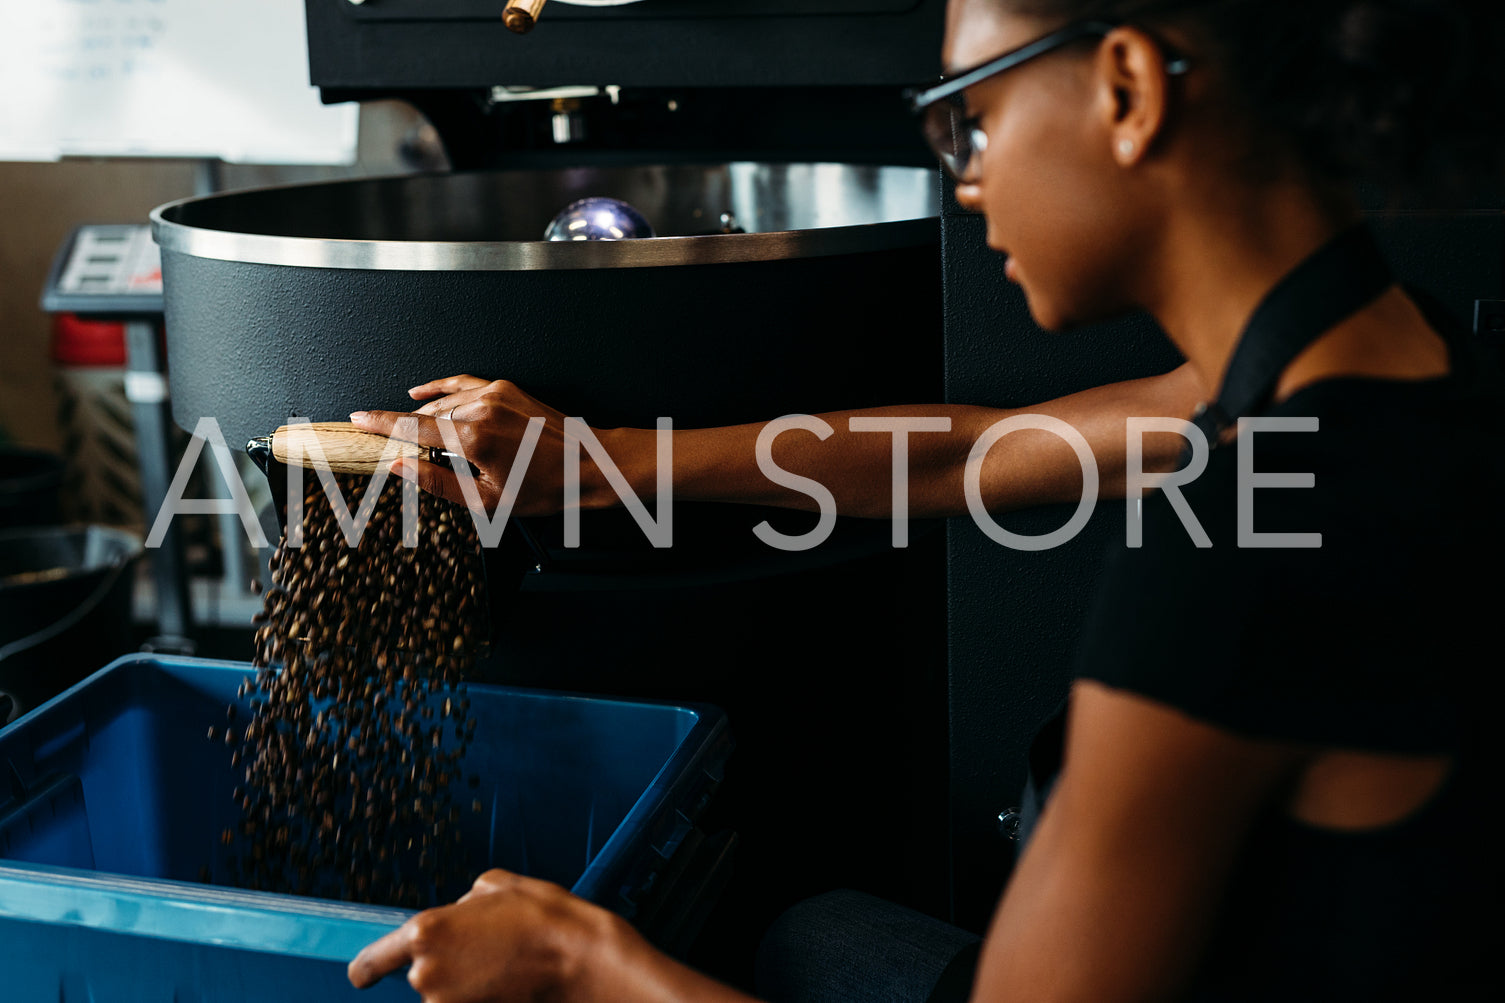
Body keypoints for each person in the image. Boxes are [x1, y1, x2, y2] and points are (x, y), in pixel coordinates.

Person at [347, 0, 1505, 999]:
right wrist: (610, 463)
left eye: (971, 117)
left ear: (1125, 89)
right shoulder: (1367, 357)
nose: (968, 175)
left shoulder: (1233, 568)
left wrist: (580, 965)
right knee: (814, 938)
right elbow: (968, 457)